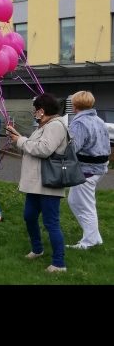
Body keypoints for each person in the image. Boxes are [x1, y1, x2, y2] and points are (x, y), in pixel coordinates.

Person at [7, 93, 69, 273]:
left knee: (51, 223)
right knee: (29, 216)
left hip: (48, 183)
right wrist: (18, 138)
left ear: (41, 111)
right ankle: (37, 249)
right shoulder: (44, 126)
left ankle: (59, 263)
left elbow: (44, 149)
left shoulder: (55, 126)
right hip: (36, 183)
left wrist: (21, 140)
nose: (33, 112)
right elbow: (32, 146)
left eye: (35, 109)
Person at [66, 91, 111, 250]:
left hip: (87, 169)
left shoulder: (79, 123)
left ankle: (90, 241)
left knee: (84, 205)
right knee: (75, 201)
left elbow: (73, 148)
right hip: (98, 168)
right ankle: (94, 237)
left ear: (75, 105)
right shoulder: (98, 120)